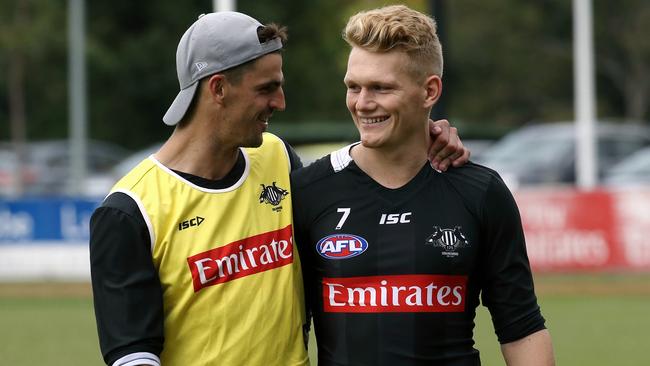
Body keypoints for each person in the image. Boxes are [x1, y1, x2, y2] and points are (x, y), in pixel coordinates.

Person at [89, 11, 469, 366]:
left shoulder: (278, 159)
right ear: (218, 88)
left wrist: (426, 136)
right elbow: (133, 356)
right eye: (267, 89)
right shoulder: (130, 211)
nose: (281, 103)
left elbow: (365, 176)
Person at [292, 5, 555, 366]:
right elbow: (288, 331)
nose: (363, 103)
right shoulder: (309, 191)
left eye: (381, 88)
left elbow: (521, 328)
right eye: (354, 87)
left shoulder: (480, 192)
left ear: (430, 91)